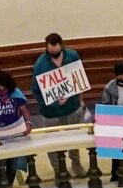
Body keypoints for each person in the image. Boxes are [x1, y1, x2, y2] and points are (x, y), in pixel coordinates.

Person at [29, 33, 89, 175]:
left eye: (57, 52)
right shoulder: (40, 65)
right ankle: (58, 171)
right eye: (51, 53)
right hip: (50, 112)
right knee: (52, 143)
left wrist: (80, 99)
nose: (54, 55)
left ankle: (76, 164)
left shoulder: (73, 56)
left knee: (75, 139)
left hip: (72, 107)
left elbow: (79, 79)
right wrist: (55, 103)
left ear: (62, 46)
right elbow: (36, 91)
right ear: (47, 48)